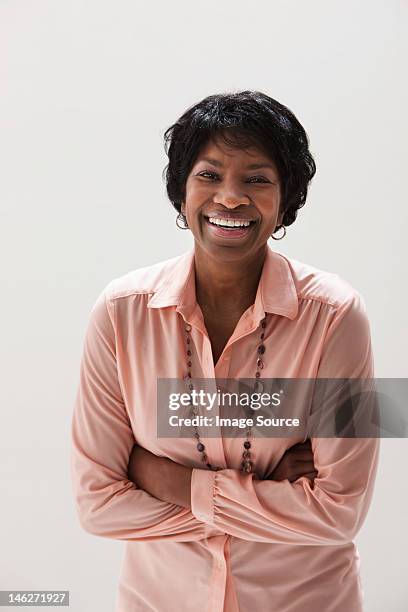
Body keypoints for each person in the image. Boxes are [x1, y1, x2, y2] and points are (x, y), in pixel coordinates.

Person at [70, 90, 380, 612]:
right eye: (209, 175)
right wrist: (265, 491)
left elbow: (341, 512)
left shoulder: (338, 316)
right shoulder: (120, 313)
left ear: (286, 199)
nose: (230, 197)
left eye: (256, 179)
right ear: (181, 190)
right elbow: (96, 505)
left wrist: (163, 478)